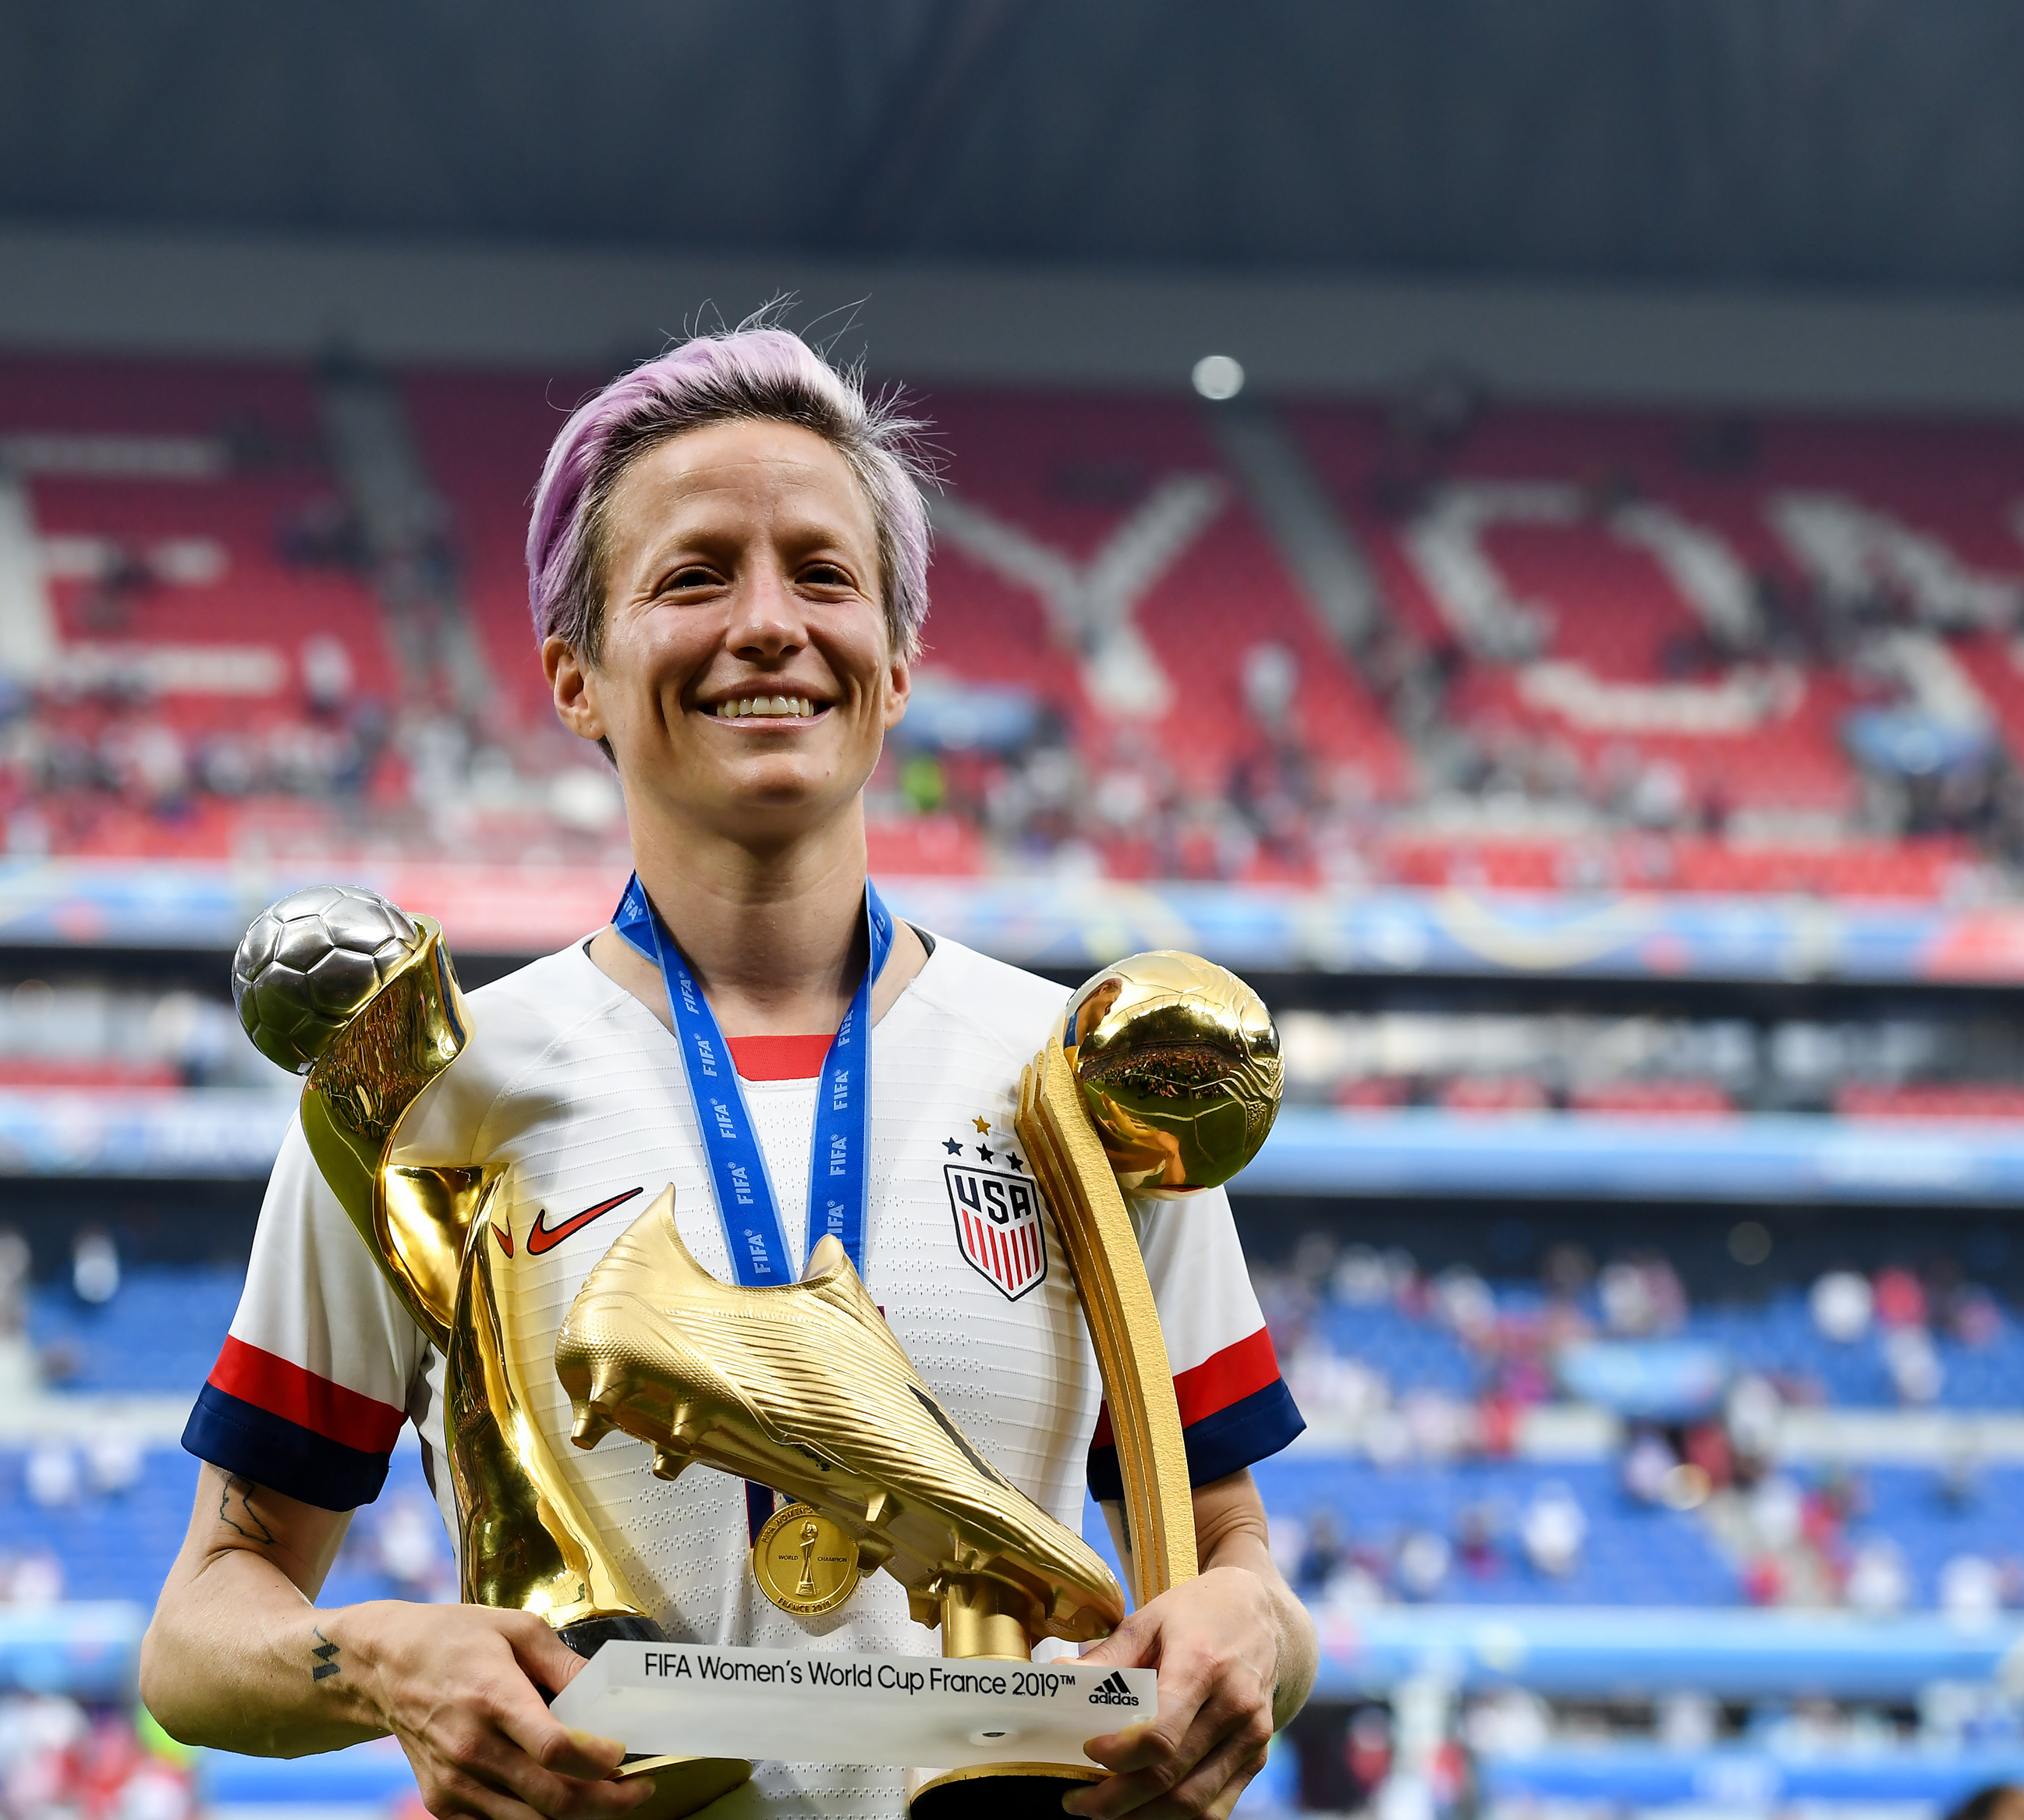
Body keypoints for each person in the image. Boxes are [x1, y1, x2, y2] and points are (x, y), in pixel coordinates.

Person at [139, 323, 1316, 1820]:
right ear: (576, 677)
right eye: (695, 577)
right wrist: (379, 1661)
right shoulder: (427, 1089)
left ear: (898, 664)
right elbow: (198, 1632)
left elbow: (1237, 1564)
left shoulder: (1077, 1077)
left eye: (823, 575)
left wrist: (1249, 1639)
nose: (768, 623)